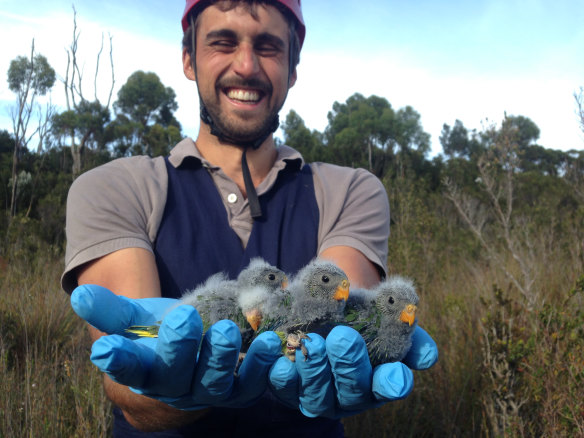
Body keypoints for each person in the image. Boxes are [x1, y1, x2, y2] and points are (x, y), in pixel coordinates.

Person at [62, 1, 438, 436]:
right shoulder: (114, 187)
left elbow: (340, 331)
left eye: (269, 47)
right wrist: (159, 387)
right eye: (222, 42)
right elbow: (130, 392)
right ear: (189, 59)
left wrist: (349, 357)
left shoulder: (350, 191)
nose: (245, 66)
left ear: (292, 70)